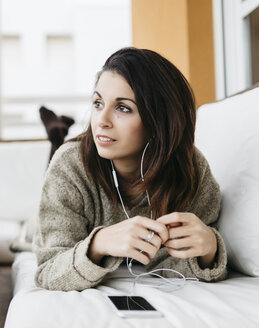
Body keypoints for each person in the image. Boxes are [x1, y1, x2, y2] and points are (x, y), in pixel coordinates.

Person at [33, 47, 228, 291]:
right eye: (97, 103)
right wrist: (98, 243)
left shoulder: (191, 171)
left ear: (159, 121)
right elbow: (49, 270)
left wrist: (209, 250)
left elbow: (174, 264)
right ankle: (58, 132)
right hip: (51, 214)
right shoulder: (69, 165)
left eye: (123, 108)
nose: (101, 120)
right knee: (31, 228)